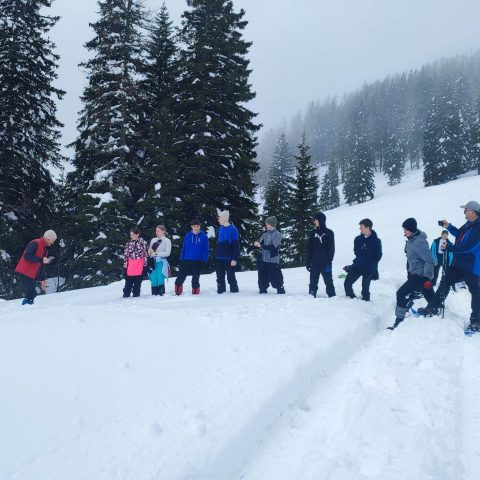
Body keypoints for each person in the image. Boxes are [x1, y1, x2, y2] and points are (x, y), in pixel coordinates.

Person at [417, 201, 480, 334]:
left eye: (466, 210)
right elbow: (459, 234)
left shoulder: (478, 227)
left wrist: (450, 247)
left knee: (475, 292)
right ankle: (433, 307)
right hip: (459, 264)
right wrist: (449, 226)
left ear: (473, 212)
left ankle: (476, 321)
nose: (464, 212)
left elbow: (469, 247)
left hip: (472, 266)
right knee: (445, 281)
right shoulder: (468, 224)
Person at [388, 218, 434, 330]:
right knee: (431, 297)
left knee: (400, 293)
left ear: (412, 230)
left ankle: (399, 320)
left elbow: (429, 260)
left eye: (406, 230)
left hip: (421, 275)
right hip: (416, 273)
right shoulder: (411, 240)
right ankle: (435, 308)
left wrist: (427, 277)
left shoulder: (419, 242)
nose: (404, 232)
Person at [344, 218, 382, 301]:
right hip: (357, 266)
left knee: (365, 289)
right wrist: (360, 259)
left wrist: (372, 265)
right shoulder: (357, 239)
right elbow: (355, 251)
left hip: (368, 268)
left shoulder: (376, 241)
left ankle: (365, 303)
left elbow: (378, 255)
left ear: (367, 227)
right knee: (347, 283)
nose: (359, 228)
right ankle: (351, 299)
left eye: (361, 226)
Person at [15, 230, 57, 305]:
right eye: (52, 240)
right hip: (24, 272)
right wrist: (41, 259)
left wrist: (43, 279)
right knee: (31, 292)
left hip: (31, 274)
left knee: (32, 293)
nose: (53, 243)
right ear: (48, 238)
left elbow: (41, 265)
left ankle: (28, 306)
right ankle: (25, 307)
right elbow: (27, 256)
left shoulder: (45, 249)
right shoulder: (35, 243)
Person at [175, 219, 209, 295]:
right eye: (194, 226)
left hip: (198, 261)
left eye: (197, 226)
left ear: (199, 226)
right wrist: (182, 259)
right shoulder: (188, 236)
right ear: (192, 226)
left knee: (195, 279)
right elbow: (184, 248)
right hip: (186, 260)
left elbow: (205, 250)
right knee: (180, 277)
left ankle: (195, 295)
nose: (196, 228)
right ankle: (177, 293)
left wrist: (204, 260)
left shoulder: (204, 237)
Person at [306, 212, 336, 298]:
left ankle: (332, 296)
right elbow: (310, 248)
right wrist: (308, 262)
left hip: (325, 261)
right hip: (314, 261)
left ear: (320, 220)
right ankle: (312, 294)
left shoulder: (329, 232)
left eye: (315, 219)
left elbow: (332, 249)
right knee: (313, 280)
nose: (314, 221)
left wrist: (329, 261)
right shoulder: (313, 233)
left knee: (328, 280)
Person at [254, 216, 285, 294]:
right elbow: (260, 243)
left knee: (276, 276)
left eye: (267, 224)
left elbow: (273, 247)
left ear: (271, 224)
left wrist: (260, 246)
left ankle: (280, 288)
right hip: (263, 259)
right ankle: (262, 289)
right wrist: (253, 246)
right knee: (262, 276)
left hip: (272, 259)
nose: (266, 225)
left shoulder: (278, 235)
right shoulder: (265, 234)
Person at [215, 210, 240, 293]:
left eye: (219, 218)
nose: (218, 220)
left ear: (224, 218)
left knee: (231, 277)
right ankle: (220, 292)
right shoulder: (220, 228)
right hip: (219, 257)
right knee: (219, 277)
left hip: (229, 258)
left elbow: (236, 246)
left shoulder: (233, 230)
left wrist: (235, 259)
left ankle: (234, 293)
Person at [123, 227, 148, 298]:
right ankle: (125, 296)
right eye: (131, 234)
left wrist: (145, 265)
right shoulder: (128, 243)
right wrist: (125, 265)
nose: (131, 236)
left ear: (137, 234)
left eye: (133, 234)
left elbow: (146, 254)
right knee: (128, 283)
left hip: (139, 265)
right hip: (130, 265)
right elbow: (126, 255)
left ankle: (136, 297)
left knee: (137, 283)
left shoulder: (143, 243)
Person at [148, 225, 172, 296]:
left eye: (158, 231)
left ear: (163, 231)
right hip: (152, 261)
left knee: (160, 277)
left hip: (161, 261)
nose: (157, 232)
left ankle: (161, 294)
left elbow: (167, 253)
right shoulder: (153, 240)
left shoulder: (167, 241)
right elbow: (150, 250)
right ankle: (154, 294)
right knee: (153, 278)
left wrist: (156, 253)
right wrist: (149, 252)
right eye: (156, 231)